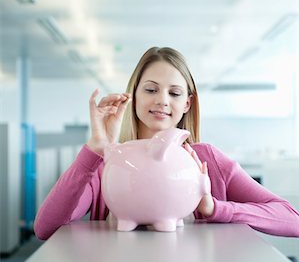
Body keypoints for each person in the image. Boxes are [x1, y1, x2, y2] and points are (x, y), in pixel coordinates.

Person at [34, 46, 299, 240]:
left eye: (174, 93)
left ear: (187, 103)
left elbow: (291, 218)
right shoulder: (108, 163)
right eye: (150, 89)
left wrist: (215, 208)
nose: (162, 100)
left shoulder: (208, 160)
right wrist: (95, 149)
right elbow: (46, 227)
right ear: (133, 95)